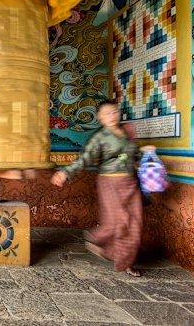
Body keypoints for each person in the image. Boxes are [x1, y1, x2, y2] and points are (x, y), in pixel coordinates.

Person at [50, 100, 156, 277]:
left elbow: (132, 154)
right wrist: (66, 173)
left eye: (114, 112)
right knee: (120, 221)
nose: (112, 116)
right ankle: (97, 239)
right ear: (99, 117)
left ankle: (126, 262)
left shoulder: (125, 132)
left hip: (130, 183)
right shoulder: (100, 137)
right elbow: (84, 158)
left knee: (135, 223)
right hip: (110, 184)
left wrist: (144, 151)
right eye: (106, 113)